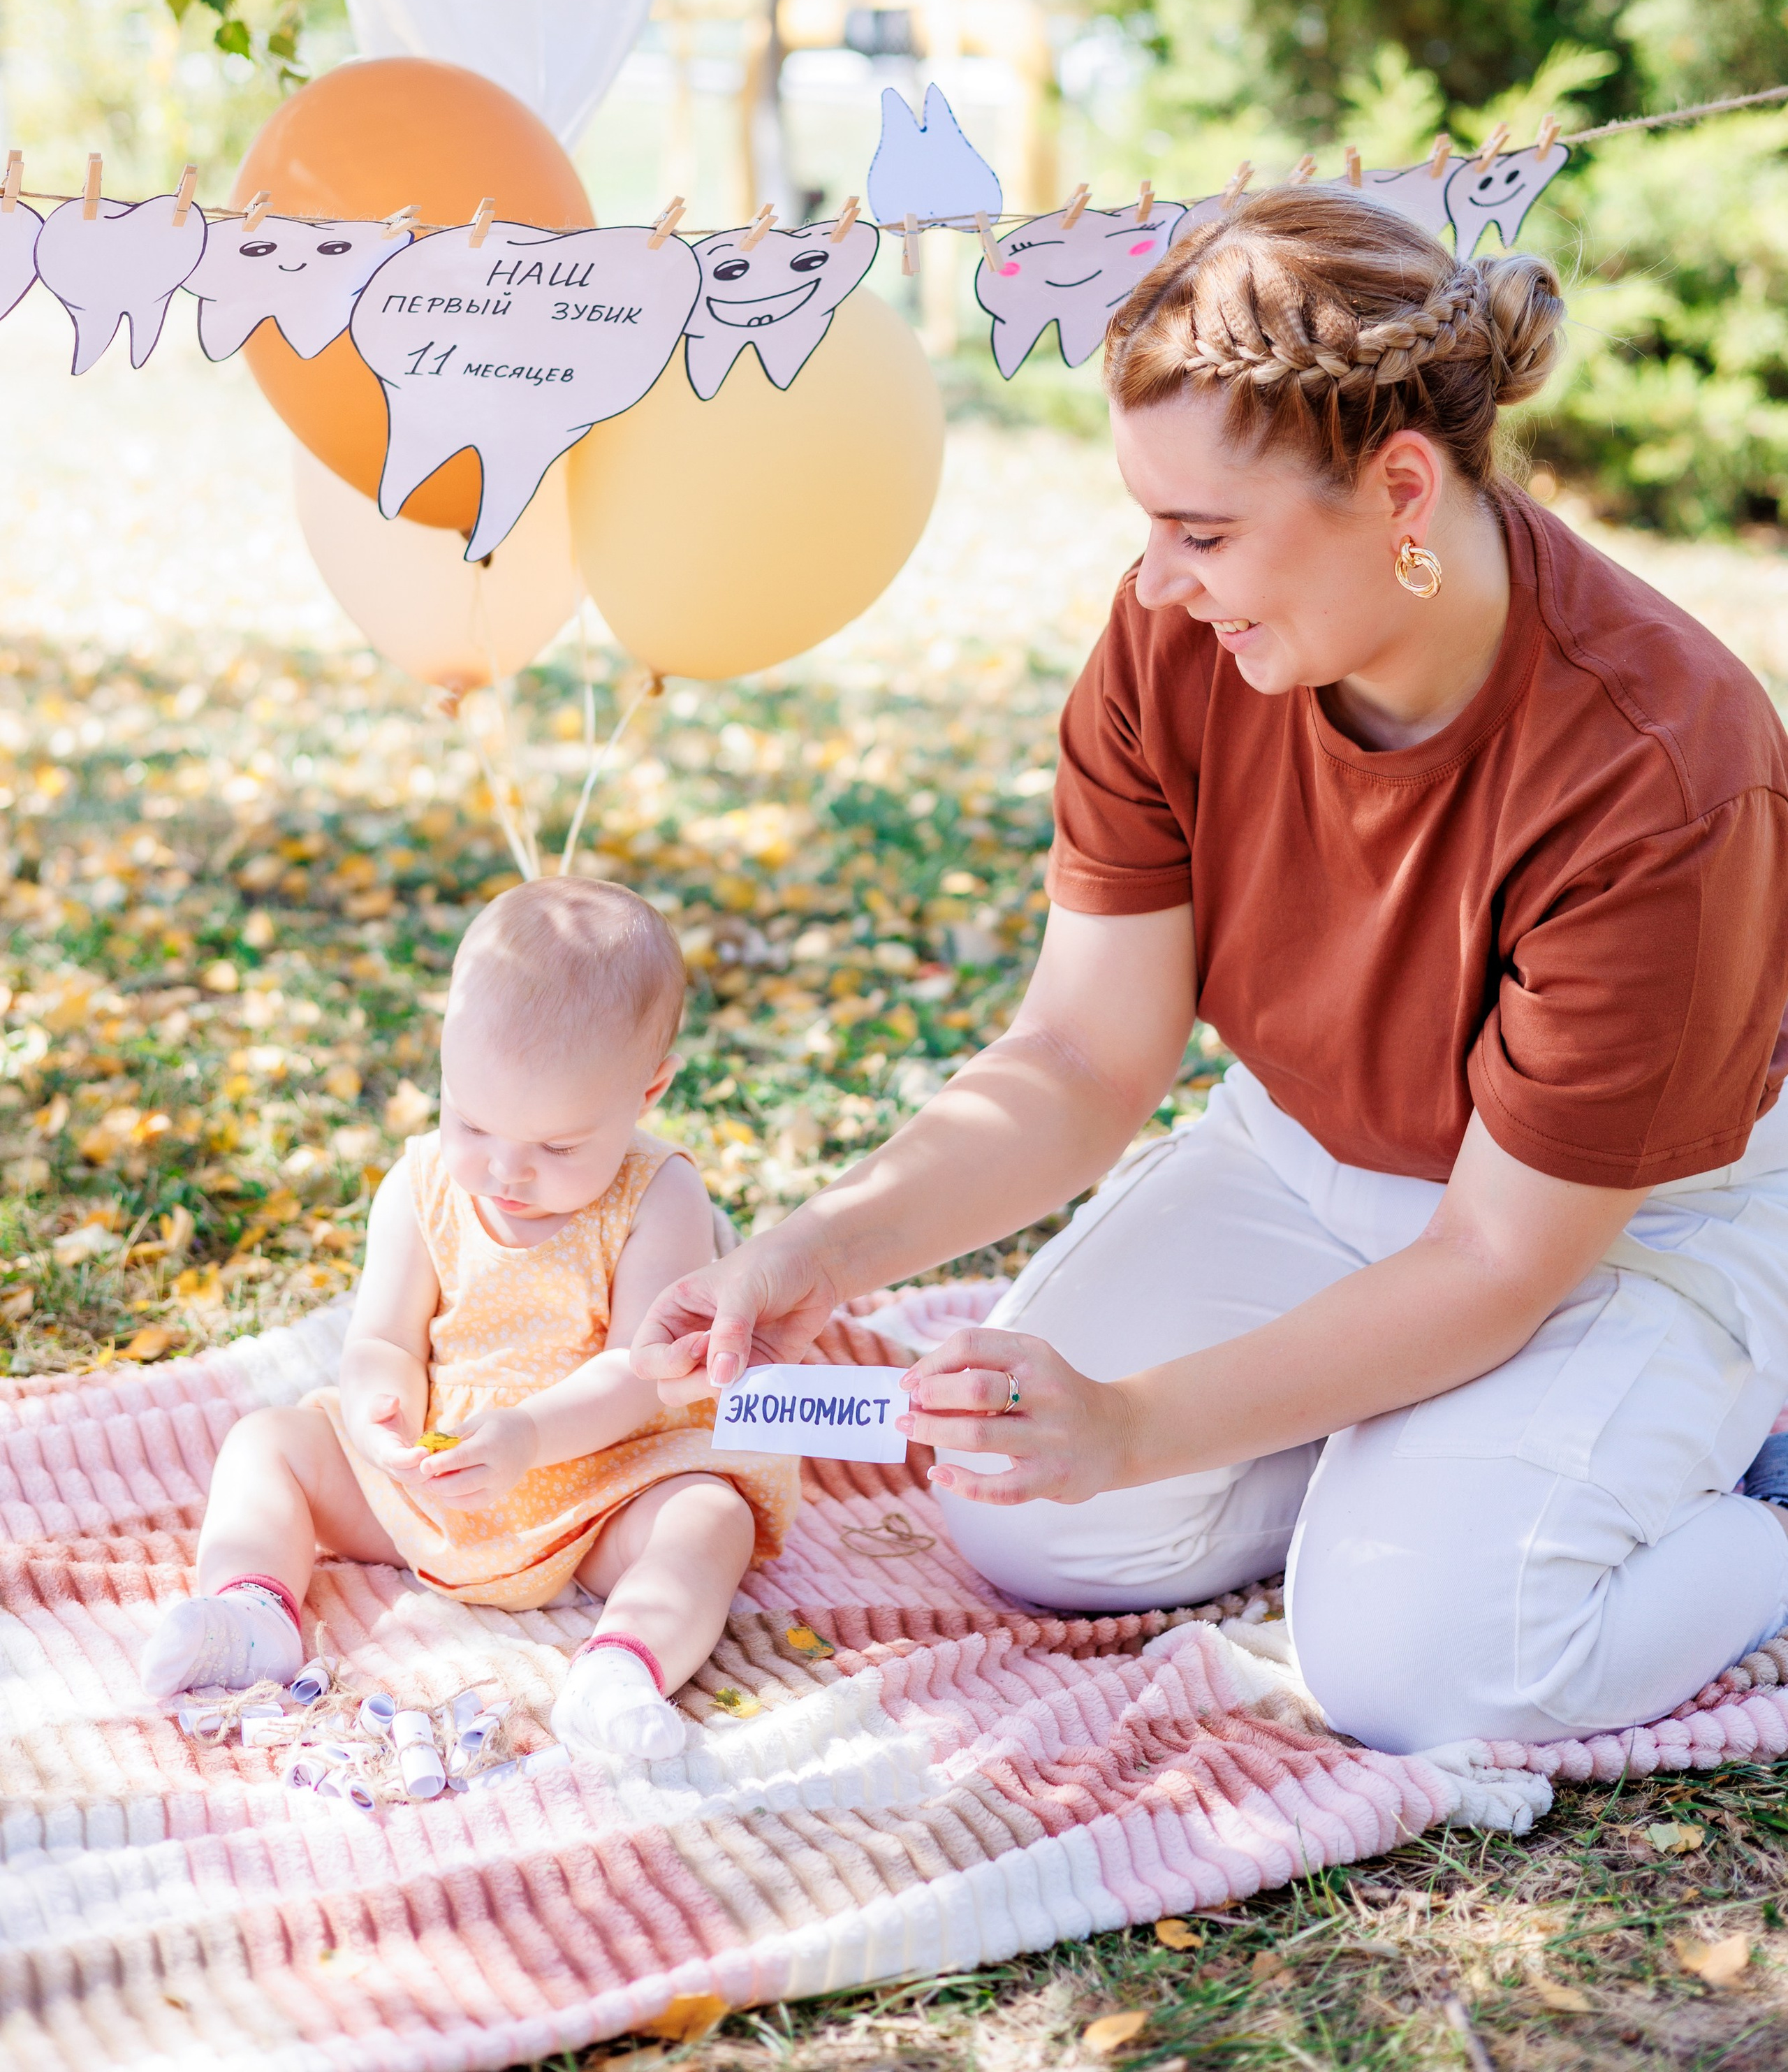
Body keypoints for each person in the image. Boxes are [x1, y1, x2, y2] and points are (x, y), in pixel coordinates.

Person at [634, 184, 1788, 1756]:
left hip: (1620, 1227)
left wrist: (1134, 1423)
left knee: (1421, 1669)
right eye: (1146, 525)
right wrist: (822, 1252)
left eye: (1201, 531)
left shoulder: (1663, 764)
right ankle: (1425, 1450)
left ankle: (1748, 1507)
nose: (1159, 581)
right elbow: (1079, 1061)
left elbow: (1495, 1263)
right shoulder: (1175, 639)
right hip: (1311, 1158)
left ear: (1397, 489)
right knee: (1024, 1513)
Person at [140, 876, 798, 1760]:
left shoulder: (661, 1194)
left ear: (647, 1094)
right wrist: (382, 1412)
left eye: (558, 1147)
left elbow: (636, 1375)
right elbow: (381, 1339)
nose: (506, 1172)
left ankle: (625, 1666)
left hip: (597, 1493)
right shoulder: (420, 1187)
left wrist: (529, 1436)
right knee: (267, 1442)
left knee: (708, 1518)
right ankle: (253, 1609)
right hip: (433, 1483)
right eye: (473, 1123)